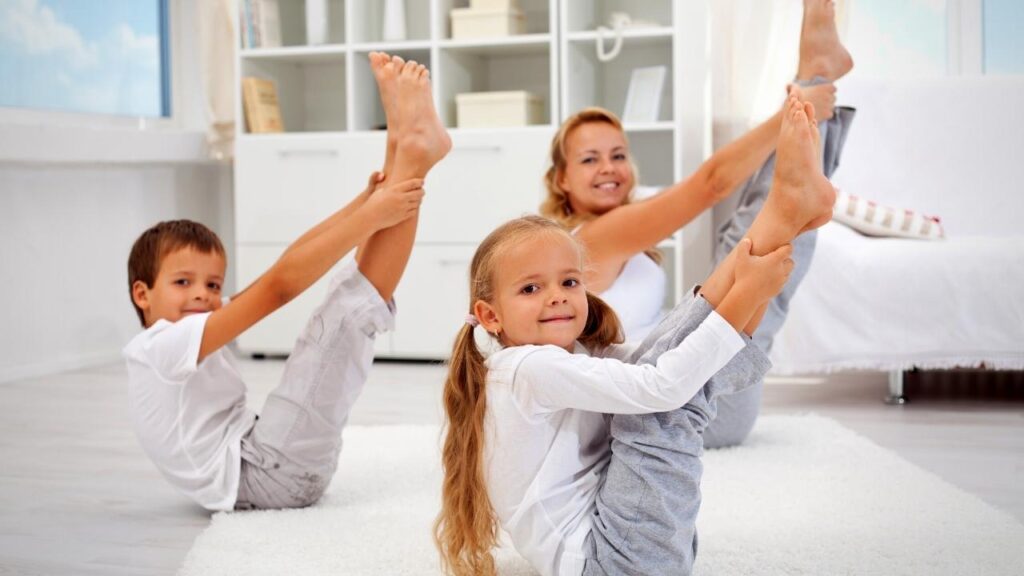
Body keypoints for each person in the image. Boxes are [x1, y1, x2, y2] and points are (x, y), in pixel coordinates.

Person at [434, 93, 836, 575]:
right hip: (616, 561)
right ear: (490, 315)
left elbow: (656, 355)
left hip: (633, 547)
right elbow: (661, 387)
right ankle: (782, 215)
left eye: (569, 282)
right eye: (531, 288)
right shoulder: (529, 368)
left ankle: (784, 214)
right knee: (660, 399)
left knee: (664, 368)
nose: (557, 296)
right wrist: (744, 299)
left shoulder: (553, 352)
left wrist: (747, 296)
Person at [122, 53, 451, 511]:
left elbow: (287, 262)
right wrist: (372, 214)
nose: (203, 294)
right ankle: (414, 159)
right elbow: (279, 285)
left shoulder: (181, 333)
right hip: (267, 476)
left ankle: (401, 144)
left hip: (268, 458)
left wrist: (367, 202)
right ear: (144, 293)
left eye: (214, 285)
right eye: (183, 282)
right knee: (343, 318)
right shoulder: (163, 345)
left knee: (344, 300)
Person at [540, 0, 855, 448]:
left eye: (618, 155)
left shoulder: (612, 231)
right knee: (762, 258)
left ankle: (816, 79)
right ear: (562, 179)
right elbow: (712, 184)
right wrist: (796, 104)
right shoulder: (590, 237)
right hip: (685, 408)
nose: (608, 168)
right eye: (590, 159)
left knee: (744, 244)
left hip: (680, 389)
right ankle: (814, 78)